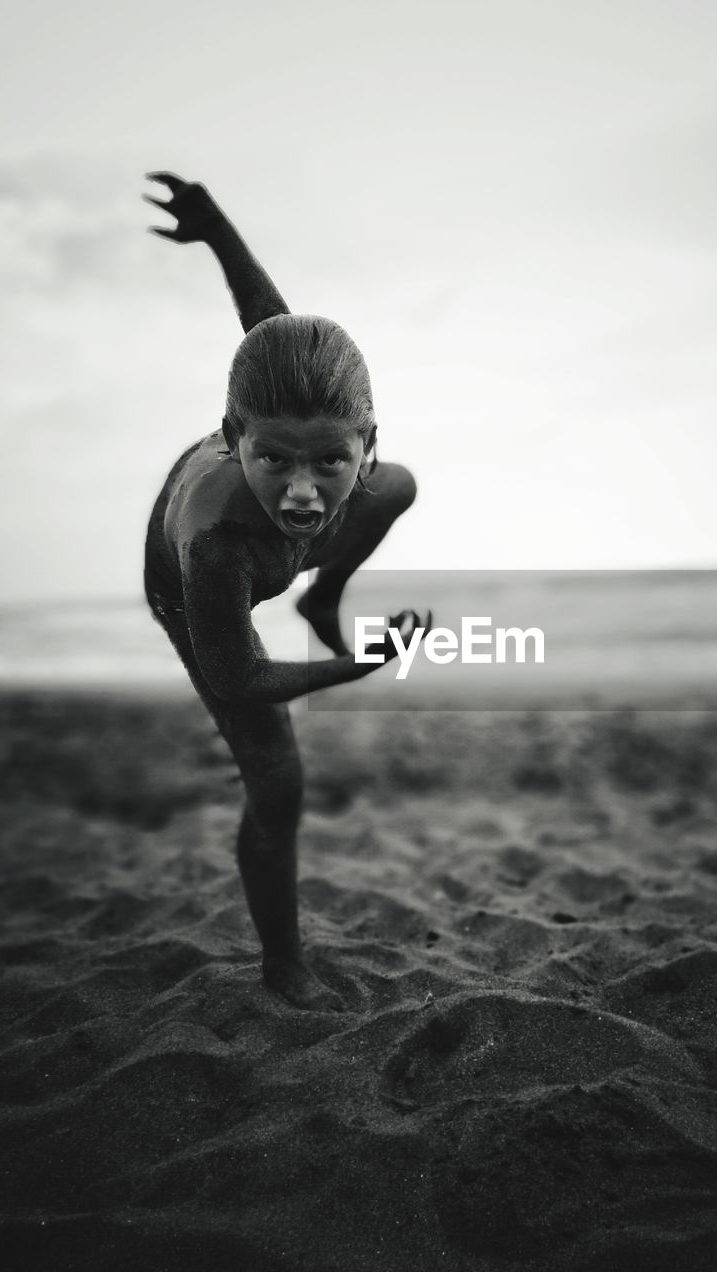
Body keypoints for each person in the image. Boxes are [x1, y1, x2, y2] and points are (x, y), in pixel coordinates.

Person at [142, 172, 429, 1011]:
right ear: (236, 440)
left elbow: (270, 325)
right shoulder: (215, 540)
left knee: (403, 489)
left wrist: (215, 229)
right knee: (279, 779)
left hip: (294, 546)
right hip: (194, 591)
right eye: (274, 460)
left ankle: (317, 596)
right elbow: (238, 679)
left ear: (363, 444)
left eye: (330, 463)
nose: (303, 490)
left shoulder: (366, 470)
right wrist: (357, 669)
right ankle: (283, 966)